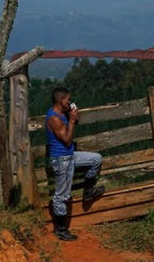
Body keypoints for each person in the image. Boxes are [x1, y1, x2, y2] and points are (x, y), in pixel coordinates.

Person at [45, 87, 105, 241]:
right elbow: (66, 140)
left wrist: (73, 117)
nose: (69, 102)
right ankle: (61, 230)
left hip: (69, 156)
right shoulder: (54, 118)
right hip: (61, 159)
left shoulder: (61, 113)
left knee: (95, 159)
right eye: (67, 99)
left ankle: (88, 191)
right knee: (62, 196)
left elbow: (73, 124)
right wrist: (71, 121)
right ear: (60, 100)